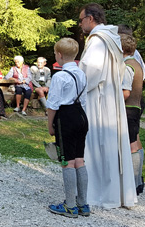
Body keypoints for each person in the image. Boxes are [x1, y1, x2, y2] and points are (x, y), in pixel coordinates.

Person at [78, 3, 136, 208]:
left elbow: (91, 71)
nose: (80, 24)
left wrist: (77, 86)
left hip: (98, 99)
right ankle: (116, 193)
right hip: (111, 97)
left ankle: (98, 193)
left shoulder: (98, 40)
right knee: (110, 145)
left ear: (91, 18)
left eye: (81, 19)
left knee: (97, 143)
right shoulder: (111, 37)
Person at [47, 38, 89, 218]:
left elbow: (53, 104)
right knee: (80, 159)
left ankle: (70, 206)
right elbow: (85, 100)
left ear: (59, 55)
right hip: (81, 116)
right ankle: (83, 203)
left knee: (67, 161)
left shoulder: (60, 76)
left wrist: (50, 125)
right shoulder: (82, 74)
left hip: (66, 117)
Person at [120, 33, 145, 196]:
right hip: (135, 108)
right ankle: (136, 182)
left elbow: (125, 92)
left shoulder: (127, 66)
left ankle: (134, 183)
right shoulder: (136, 63)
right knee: (134, 141)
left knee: (131, 145)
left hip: (128, 109)